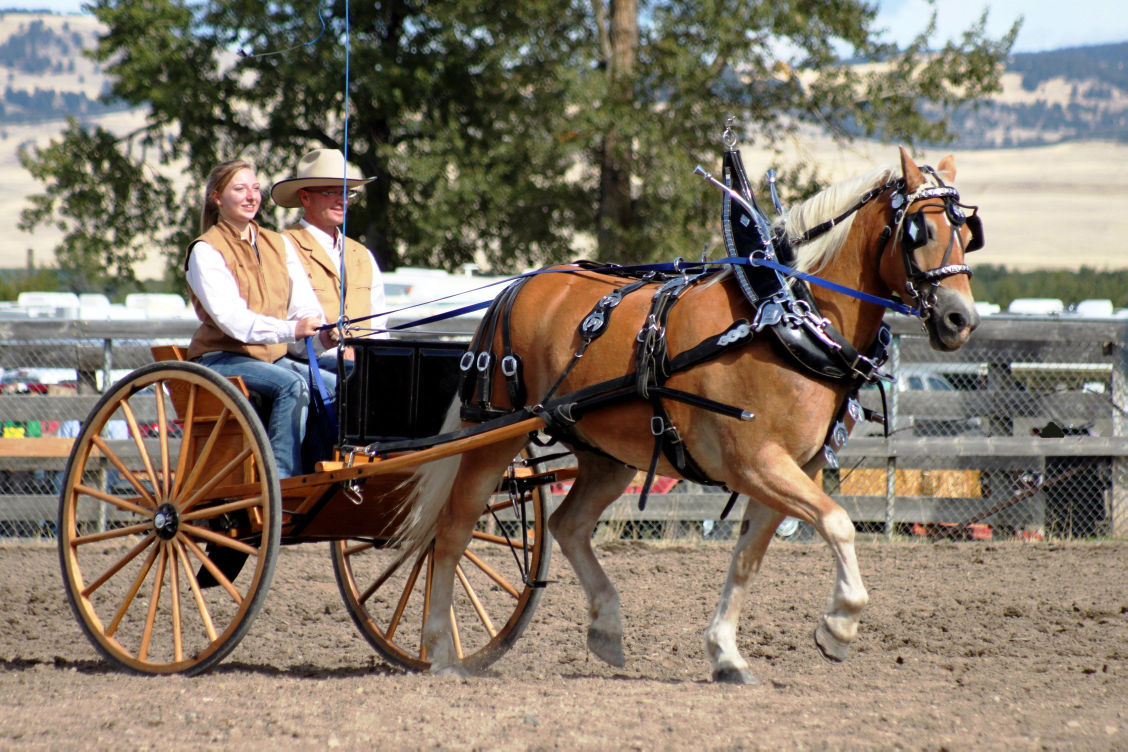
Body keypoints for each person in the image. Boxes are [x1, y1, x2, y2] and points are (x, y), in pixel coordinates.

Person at [184, 159, 336, 479]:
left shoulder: (278, 243)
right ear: (217, 198)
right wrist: (291, 329)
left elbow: (302, 305)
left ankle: (322, 476)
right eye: (240, 189)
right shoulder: (206, 250)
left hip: (270, 359)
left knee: (336, 386)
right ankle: (280, 483)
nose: (251, 196)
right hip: (221, 358)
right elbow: (234, 322)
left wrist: (322, 334)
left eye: (255, 188)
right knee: (293, 384)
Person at [271, 148, 389, 375]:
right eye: (331, 192)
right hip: (313, 367)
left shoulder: (362, 254)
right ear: (305, 197)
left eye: (346, 192)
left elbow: (379, 327)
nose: (342, 200)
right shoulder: (284, 246)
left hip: (363, 369)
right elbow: (291, 329)